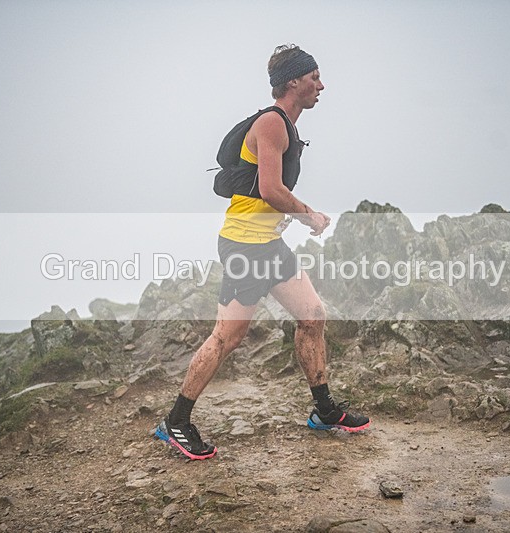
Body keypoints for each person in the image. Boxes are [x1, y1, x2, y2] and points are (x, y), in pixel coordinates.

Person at [154, 44, 369, 460]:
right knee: (227, 337)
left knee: (313, 316)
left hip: (267, 244)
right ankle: (175, 422)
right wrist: (309, 215)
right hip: (244, 247)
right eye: (314, 78)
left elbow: (268, 193)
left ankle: (324, 410)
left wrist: (293, 217)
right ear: (293, 82)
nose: (321, 86)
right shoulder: (272, 124)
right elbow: (271, 191)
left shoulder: (284, 125)